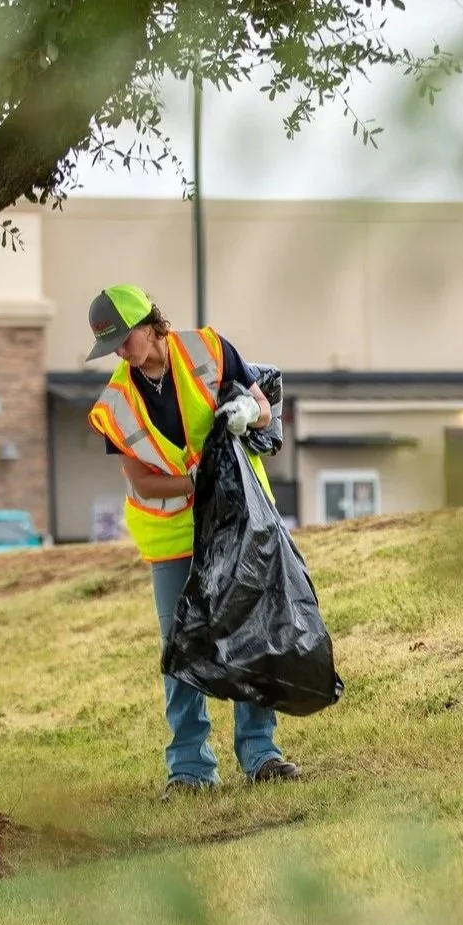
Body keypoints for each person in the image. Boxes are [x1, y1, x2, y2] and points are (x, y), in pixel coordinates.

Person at [83, 282, 301, 797]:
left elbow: (264, 408)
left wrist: (251, 413)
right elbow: (141, 481)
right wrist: (197, 481)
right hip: (171, 534)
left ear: (149, 324)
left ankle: (261, 752)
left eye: (123, 338)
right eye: (110, 345)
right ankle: (189, 769)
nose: (119, 351)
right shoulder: (114, 404)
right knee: (180, 648)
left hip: (236, 518)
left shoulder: (208, 349)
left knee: (250, 627)